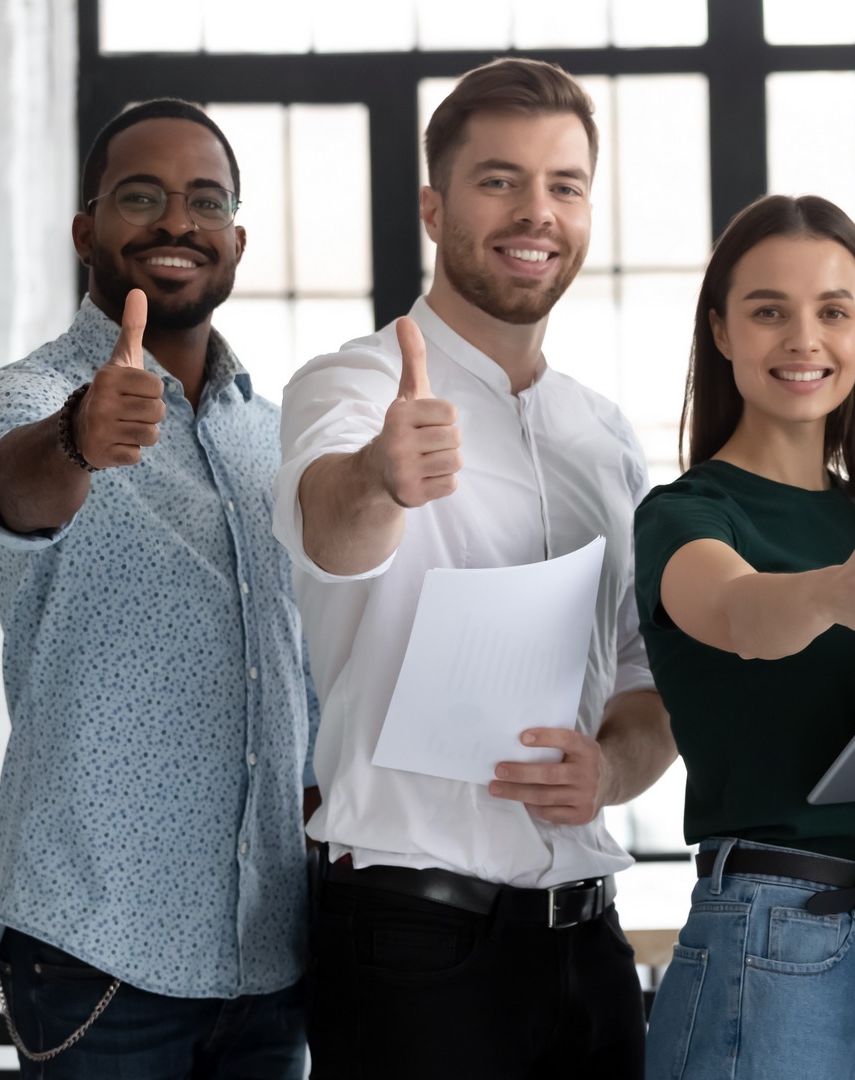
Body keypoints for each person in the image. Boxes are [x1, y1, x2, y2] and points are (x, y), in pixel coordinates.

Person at [273, 58, 676, 1077]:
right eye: (499, 180)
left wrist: (613, 769)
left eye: (565, 185)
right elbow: (329, 529)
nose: (535, 211)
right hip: (413, 943)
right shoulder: (353, 385)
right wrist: (381, 477)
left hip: (586, 942)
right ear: (433, 206)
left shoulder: (607, 437)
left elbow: (644, 671)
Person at [0, 99, 312, 1077]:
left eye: (204, 202)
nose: (175, 224)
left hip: (268, 966)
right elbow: (22, 491)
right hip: (100, 958)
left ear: (236, 238)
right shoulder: (25, 400)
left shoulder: (272, 435)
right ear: (86, 230)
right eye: (141, 198)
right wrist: (80, 435)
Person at [634, 193, 855, 1080]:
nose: (804, 339)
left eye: (834, 311)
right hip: (770, 931)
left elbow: (854, 755)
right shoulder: (685, 514)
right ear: (720, 331)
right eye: (768, 312)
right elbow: (740, 615)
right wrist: (833, 593)